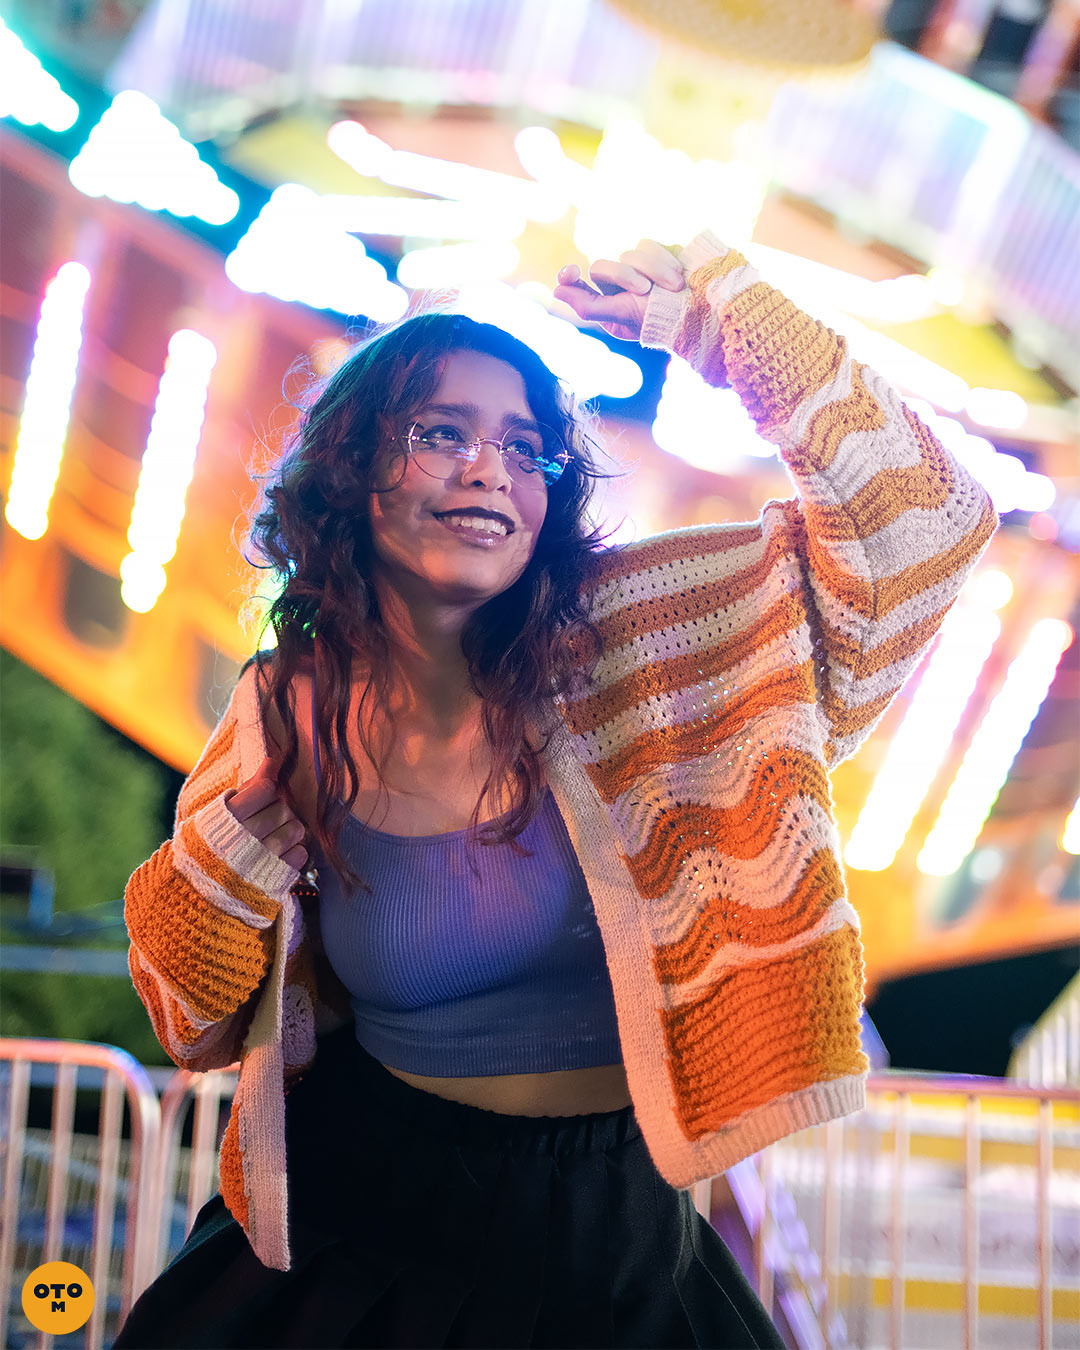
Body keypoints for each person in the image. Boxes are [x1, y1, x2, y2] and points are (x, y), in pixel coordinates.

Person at [115, 232, 997, 1349]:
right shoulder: (284, 709)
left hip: (612, 1245)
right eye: (442, 433)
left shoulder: (643, 646)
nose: (490, 466)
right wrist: (223, 866)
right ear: (350, 472)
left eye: (526, 448)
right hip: (366, 1233)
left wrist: (728, 325)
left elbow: (932, 523)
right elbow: (186, 1016)